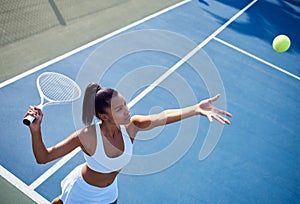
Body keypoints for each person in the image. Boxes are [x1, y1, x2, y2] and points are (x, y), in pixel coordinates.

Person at [25, 83, 232, 204]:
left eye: (125, 104)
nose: (127, 111)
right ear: (103, 116)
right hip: (83, 192)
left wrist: (196, 108)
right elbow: (44, 157)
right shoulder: (87, 136)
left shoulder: (132, 127)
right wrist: (36, 130)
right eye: (119, 109)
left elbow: (165, 116)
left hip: (109, 192)